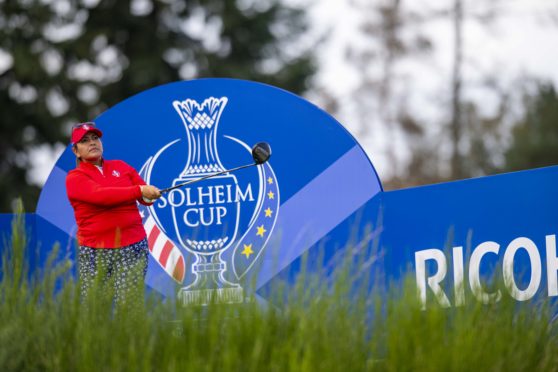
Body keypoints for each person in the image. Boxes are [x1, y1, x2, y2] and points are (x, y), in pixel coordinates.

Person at [65, 122, 161, 309]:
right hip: (94, 251)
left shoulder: (121, 166)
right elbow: (101, 196)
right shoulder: (74, 177)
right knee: (95, 311)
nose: (92, 143)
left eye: (95, 138)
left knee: (130, 308)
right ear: (76, 151)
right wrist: (139, 190)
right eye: (84, 141)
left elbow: (144, 197)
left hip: (132, 246)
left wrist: (150, 196)